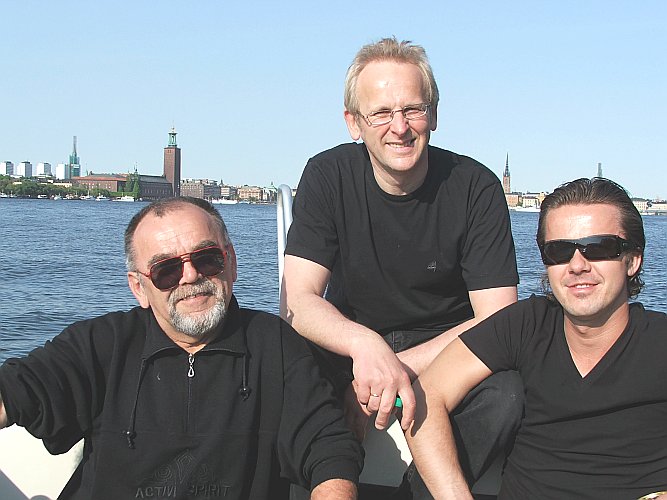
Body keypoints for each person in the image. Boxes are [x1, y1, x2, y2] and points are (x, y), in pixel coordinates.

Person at [281, 37, 522, 496]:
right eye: (381, 113)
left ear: (434, 115)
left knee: (508, 394)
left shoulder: (475, 187)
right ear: (354, 123)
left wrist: (394, 367)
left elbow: (499, 319)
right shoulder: (328, 175)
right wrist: (365, 347)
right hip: (352, 341)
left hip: (445, 348)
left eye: (413, 109)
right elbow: (297, 302)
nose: (400, 127)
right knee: (279, 369)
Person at [0, 197, 363, 500]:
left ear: (231, 263)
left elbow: (328, 449)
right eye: (166, 270)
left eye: (207, 258)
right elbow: (18, 389)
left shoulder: (276, 346)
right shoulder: (102, 343)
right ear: (139, 288)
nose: (191, 276)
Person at [406, 177, 667, 499]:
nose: (577, 265)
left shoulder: (659, 342)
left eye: (599, 247)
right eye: (559, 251)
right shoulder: (526, 325)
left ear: (632, 260)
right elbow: (429, 392)